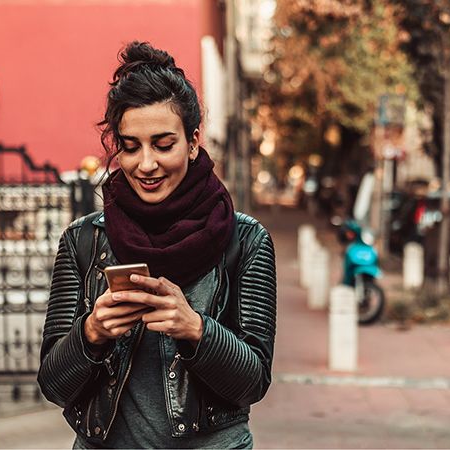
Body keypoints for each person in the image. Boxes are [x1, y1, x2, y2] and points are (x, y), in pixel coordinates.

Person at [37, 41, 277, 449]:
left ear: (194, 140)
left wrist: (196, 330)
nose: (146, 164)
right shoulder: (83, 241)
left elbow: (252, 383)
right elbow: (54, 385)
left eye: (163, 144)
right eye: (130, 147)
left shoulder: (246, 241)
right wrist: (91, 332)